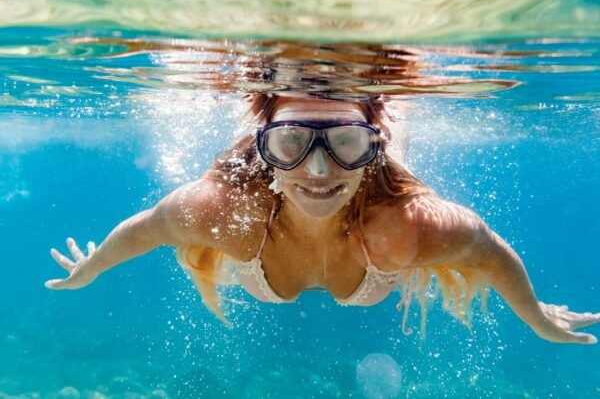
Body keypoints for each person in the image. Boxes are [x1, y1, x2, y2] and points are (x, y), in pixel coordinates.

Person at [45, 94, 600, 344]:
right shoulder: (224, 214)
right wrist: (91, 268)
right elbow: (146, 229)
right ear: (264, 151)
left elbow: (490, 251)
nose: (316, 169)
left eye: (346, 143)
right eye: (289, 142)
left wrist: (537, 319)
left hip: (376, 218)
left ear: (370, 150)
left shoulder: (406, 226)